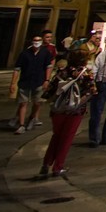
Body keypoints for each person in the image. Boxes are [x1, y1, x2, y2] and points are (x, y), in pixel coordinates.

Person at [39, 49, 97, 178]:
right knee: (66, 138)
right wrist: (78, 103)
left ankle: (46, 163)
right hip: (75, 111)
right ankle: (58, 167)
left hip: (58, 110)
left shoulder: (62, 72)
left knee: (56, 136)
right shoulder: (85, 74)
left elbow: (49, 91)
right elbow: (92, 91)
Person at [9, 33, 55, 134]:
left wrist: (47, 80)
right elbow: (17, 69)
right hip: (25, 81)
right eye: (35, 40)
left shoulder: (45, 53)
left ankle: (32, 117)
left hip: (39, 81)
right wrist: (13, 83)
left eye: (38, 40)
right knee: (23, 103)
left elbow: (48, 67)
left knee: (37, 102)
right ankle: (21, 125)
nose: (36, 42)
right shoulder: (25, 53)